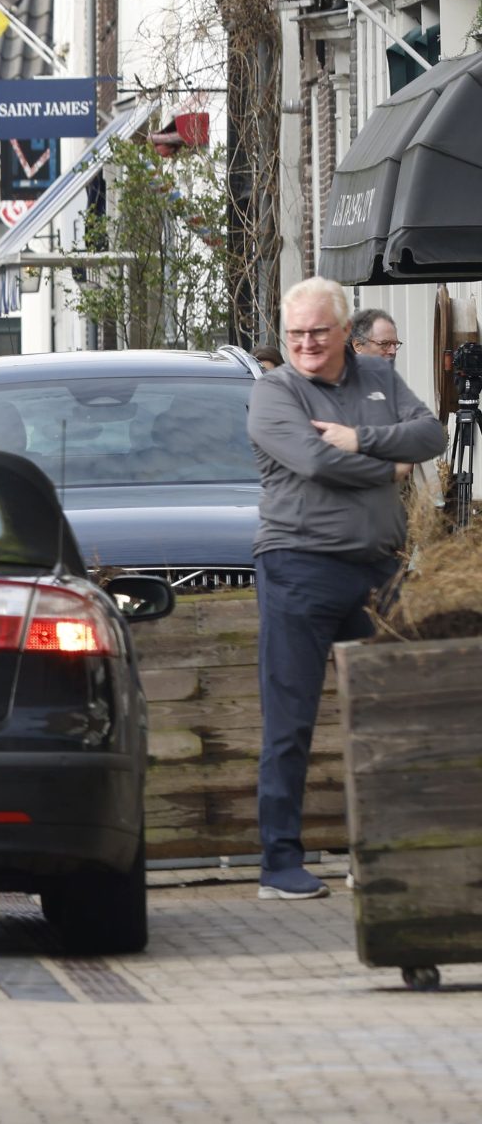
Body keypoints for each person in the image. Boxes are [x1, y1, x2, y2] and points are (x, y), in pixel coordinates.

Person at [247, 276, 444, 901]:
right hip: (299, 569)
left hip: (379, 570)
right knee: (290, 721)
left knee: (392, 714)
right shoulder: (273, 392)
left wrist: (362, 439)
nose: (305, 343)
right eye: (296, 333)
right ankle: (279, 863)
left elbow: (432, 435)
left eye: (318, 332)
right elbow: (313, 462)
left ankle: (386, 853)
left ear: (344, 332)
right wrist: (388, 466)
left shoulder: (379, 379)